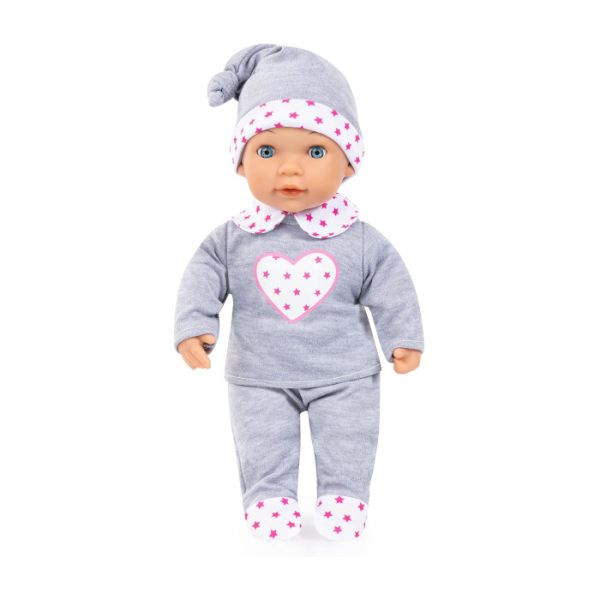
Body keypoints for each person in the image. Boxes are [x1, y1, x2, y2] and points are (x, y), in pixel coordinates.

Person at [174, 44, 425, 541]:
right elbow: (203, 276)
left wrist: (403, 338)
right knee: (261, 440)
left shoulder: (359, 238)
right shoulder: (232, 239)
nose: (290, 169)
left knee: (350, 438)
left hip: (345, 374)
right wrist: (195, 325)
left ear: (348, 164)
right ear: (241, 164)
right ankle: (269, 496)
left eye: (315, 152)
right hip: (258, 376)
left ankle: (344, 495)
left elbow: (391, 284)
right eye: (267, 152)